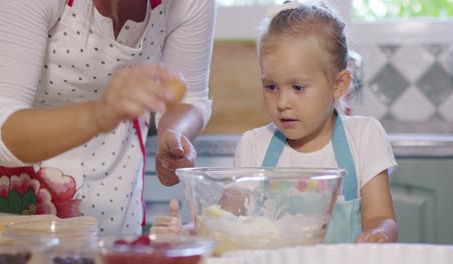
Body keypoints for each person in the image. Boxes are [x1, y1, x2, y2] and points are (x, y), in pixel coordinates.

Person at [151, 1, 398, 243]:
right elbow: (225, 223)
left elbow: (380, 217)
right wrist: (185, 233)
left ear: (339, 84)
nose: (282, 102)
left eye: (298, 87)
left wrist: (379, 235)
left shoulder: (364, 136)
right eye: (271, 86)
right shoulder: (254, 145)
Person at [0, 0, 215, 236]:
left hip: (119, 218)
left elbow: (191, 98)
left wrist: (173, 134)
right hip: (17, 221)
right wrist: (98, 115)